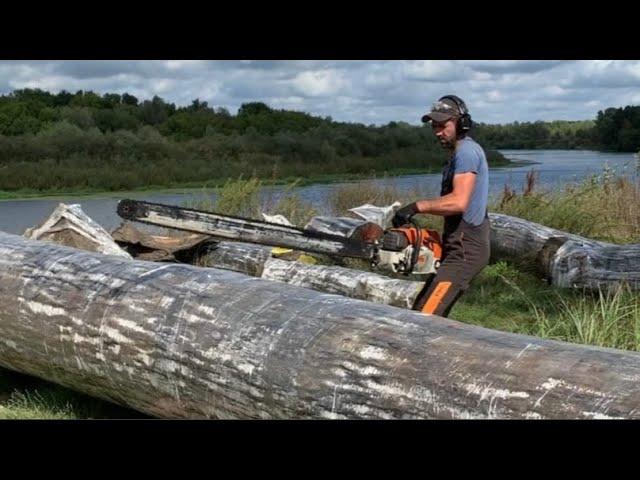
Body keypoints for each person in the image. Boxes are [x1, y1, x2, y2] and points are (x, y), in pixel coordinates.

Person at [392, 95, 490, 317]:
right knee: (426, 309)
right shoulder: (459, 152)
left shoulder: (466, 152)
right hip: (458, 247)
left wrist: (416, 207)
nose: (438, 131)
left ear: (461, 123)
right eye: (434, 126)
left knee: (426, 316)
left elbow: (458, 202)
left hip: (466, 251)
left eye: (443, 125)